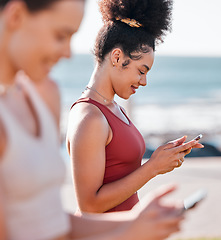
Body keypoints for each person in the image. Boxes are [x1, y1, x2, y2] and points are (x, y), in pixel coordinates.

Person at [0, 0, 186, 239]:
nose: (68, 53)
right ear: (15, 16)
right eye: (60, 35)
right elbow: (86, 207)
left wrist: (138, 221)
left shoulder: (45, 96)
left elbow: (51, 221)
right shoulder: (88, 115)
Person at [66, 0, 204, 214]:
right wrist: (153, 167)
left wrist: (164, 155)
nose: (144, 81)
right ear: (117, 57)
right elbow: (89, 205)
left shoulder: (114, 108)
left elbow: (121, 175)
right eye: (141, 71)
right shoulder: (89, 117)